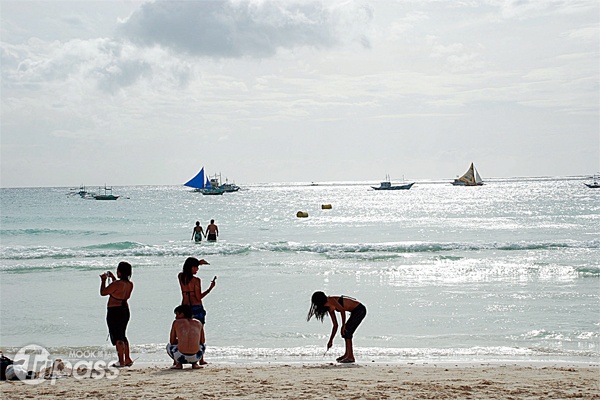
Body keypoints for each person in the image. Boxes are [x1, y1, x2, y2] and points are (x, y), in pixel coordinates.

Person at [306, 291, 367, 363]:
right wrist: (331, 340)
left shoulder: (331, 300)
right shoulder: (328, 307)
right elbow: (335, 325)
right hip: (355, 311)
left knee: (347, 332)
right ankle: (347, 354)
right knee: (345, 333)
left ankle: (350, 357)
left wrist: (343, 325)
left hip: (360, 310)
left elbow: (342, 310)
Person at [178, 257, 216, 365]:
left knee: (183, 333)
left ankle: (179, 359)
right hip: (196, 307)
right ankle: (201, 359)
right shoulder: (196, 281)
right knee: (199, 333)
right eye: (196, 267)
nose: (197, 270)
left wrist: (198, 262)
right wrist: (210, 288)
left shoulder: (181, 277)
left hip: (185, 307)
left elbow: (186, 269)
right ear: (191, 267)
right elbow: (198, 297)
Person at [100, 261, 134, 367]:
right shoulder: (129, 284)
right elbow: (117, 288)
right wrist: (114, 278)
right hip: (125, 310)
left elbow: (103, 292)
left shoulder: (116, 284)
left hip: (114, 311)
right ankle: (127, 358)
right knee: (123, 335)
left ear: (119, 272)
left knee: (118, 337)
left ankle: (121, 361)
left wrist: (103, 280)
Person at [166, 305, 206, 369]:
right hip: (196, 356)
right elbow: (202, 341)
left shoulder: (176, 322)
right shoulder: (198, 322)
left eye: (177, 314)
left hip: (180, 357)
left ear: (182, 314)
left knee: (169, 346)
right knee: (203, 345)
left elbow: (172, 341)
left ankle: (178, 364)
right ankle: (195, 364)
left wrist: (181, 341)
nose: (176, 317)